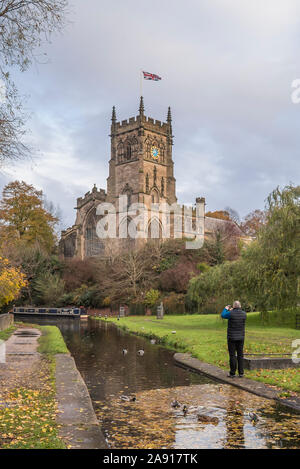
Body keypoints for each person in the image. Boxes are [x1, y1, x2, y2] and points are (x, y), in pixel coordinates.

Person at [221, 301, 247, 378]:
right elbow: (237, 315)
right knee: (240, 355)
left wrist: (226, 308)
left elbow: (223, 315)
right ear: (240, 306)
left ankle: (232, 373)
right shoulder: (244, 314)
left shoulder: (230, 313)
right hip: (241, 338)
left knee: (232, 355)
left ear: (233, 306)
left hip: (232, 337)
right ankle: (241, 373)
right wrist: (233, 310)